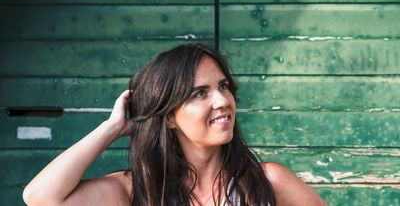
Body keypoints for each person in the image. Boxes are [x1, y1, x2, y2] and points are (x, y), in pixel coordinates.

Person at [23, 43, 328, 206]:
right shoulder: (135, 191)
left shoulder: (268, 182)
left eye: (223, 86)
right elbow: (41, 197)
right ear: (168, 117)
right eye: (200, 94)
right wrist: (112, 128)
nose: (222, 101)